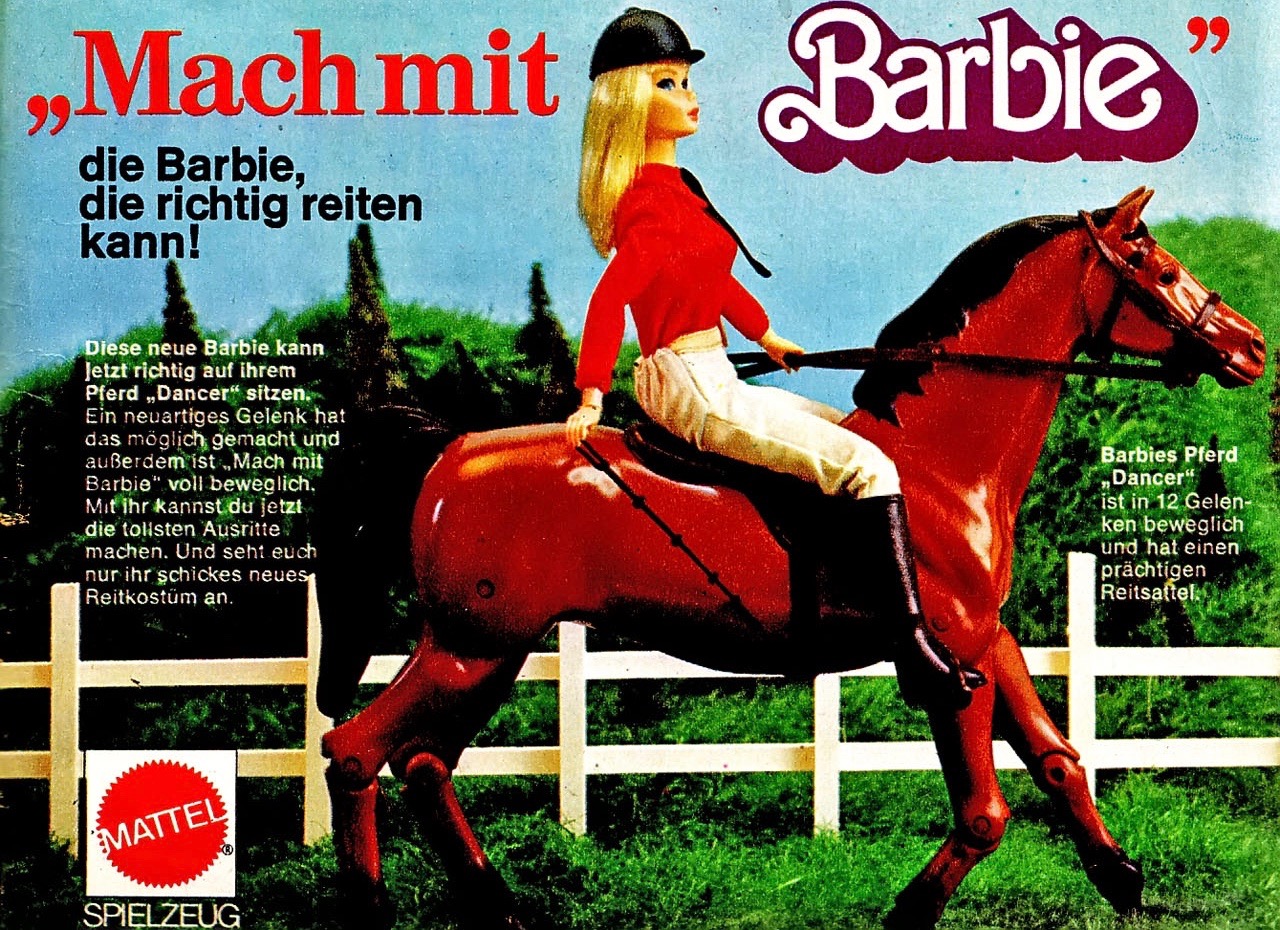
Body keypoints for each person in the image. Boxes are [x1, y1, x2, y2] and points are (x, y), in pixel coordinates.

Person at [564, 8, 982, 707]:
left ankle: (850, 599)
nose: (690, 96)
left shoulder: (679, 191)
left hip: (715, 367)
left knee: (852, 438)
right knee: (866, 466)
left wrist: (765, 334)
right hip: (689, 381)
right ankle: (911, 646)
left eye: (687, 81)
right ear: (630, 101)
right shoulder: (650, 203)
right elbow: (610, 301)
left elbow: (713, 277)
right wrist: (591, 395)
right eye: (668, 83)